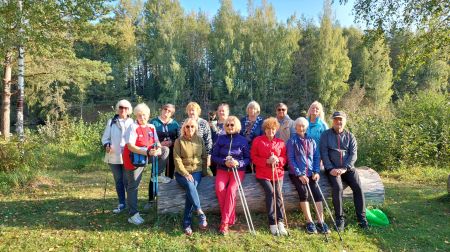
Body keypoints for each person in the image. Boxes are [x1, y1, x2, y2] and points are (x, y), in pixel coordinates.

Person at [320, 111, 368, 230]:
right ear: (333, 121)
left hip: (347, 168)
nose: (338, 122)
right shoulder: (325, 135)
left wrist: (345, 168)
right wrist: (330, 168)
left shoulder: (350, 136)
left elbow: (353, 155)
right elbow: (324, 153)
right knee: (338, 188)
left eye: (341, 119)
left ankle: (362, 219)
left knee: (358, 187)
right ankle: (340, 219)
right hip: (332, 169)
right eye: (336, 119)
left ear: (344, 121)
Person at [122, 103, 168, 225]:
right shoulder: (133, 127)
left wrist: (158, 148)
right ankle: (133, 214)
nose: (142, 117)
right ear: (136, 116)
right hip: (133, 158)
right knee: (134, 186)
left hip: (147, 155)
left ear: (148, 115)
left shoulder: (151, 127)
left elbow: (157, 141)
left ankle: (156, 175)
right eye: (139, 115)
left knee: (165, 150)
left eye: (144, 115)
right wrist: (147, 151)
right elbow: (130, 146)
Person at [287, 117, 330, 234]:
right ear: (295, 127)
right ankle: (310, 222)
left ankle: (321, 222)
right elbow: (290, 159)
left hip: (311, 173)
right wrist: (300, 174)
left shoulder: (311, 141)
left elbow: (316, 157)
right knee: (304, 193)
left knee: (317, 193)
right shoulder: (292, 141)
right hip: (296, 173)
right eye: (299, 126)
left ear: (306, 127)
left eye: (303, 126)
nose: (301, 128)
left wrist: (316, 171)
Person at [212, 116, 250, 235]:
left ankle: (224, 223)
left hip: (238, 170)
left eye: (232, 125)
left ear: (237, 126)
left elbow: (248, 158)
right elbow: (214, 156)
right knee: (220, 189)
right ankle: (230, 217)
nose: (229, 127)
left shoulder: (243, 140)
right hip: (223, 169)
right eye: (227, 125)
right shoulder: (220, 138)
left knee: (232, 190)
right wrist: (224, 162)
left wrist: (239, 163)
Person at [251, 117, 288, 236]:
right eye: (268, 129)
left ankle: (280, 222)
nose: (270, 131)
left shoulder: (280, 142)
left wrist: (278, 160)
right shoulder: (258, 140)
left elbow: (284, 157)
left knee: (278, 194)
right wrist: (266, 161)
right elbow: (254, 157)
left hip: (277, 173)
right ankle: (272, 222)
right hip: (262, 173)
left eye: (273, 129)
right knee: (270, 192)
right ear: (265, 129)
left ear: (276, 130)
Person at [174, 118, 209, 236]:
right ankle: (199, 211)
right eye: (187, 127)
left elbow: (204, 157)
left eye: (192, 126)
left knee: (191, 188)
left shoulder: (200, 140)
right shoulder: (179, 141)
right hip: (181, 172)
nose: (190, 129)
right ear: (184, 128)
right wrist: (185, 173)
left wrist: (205, 173)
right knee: (190, 184)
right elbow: (177, 159)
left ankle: (187, 223)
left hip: (197, 172)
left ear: (196, 128)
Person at [101, 99, 134, 214]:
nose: (123, 110)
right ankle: (121, 203)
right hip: (113, 156)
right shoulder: (111, 121)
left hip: (127, 156)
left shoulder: (132, 122)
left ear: (129, 110)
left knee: (127, 180)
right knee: (118, 180)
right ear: (117, 108)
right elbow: (105, 138)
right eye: (121, 107)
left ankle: (131, 204)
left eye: (125, 108)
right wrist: (107, 144)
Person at [144, 104, 178, 211]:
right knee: (155, 174)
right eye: (165, 109)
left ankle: (167, 198)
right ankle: (151, 199)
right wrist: (160, 144)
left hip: (172, 153)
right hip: (158, 153)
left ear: (171, 113)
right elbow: (148, 137)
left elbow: (178, 138)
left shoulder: (175, 124)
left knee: (169, 175)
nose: (166, 112)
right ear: (161, 110)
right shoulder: (153, 122)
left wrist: (172, 142)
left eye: (169, 111)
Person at [181, 102, 213, 167]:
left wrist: (208, 157)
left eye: (193, 110)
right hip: (186, 155)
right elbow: (180, 139)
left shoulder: (204, 123)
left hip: (201, 154)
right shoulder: (183, 123)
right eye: (189, 110)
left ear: (198, 111)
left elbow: (208, 141)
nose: (191, 112)